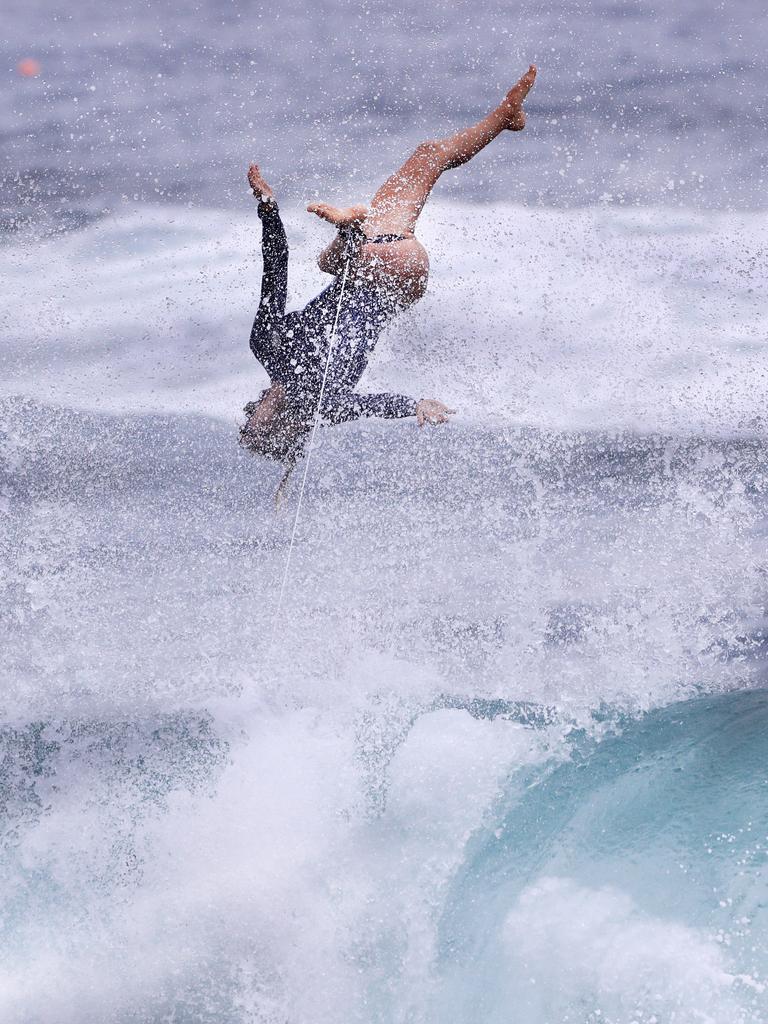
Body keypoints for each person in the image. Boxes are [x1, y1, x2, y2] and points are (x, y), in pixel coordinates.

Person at [240, 64, 537, 470]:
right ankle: (352, 230)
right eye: (258, 425)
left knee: (340, 257)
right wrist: (268, 208)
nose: (258, 419)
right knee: (424, 162)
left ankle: (506, 118)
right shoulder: (269, 347)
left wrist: (416, 404)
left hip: (402, 277)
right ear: (264, 416)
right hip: (382, 263)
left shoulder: (325, 405)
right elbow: (275, 267)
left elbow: (374, 404)